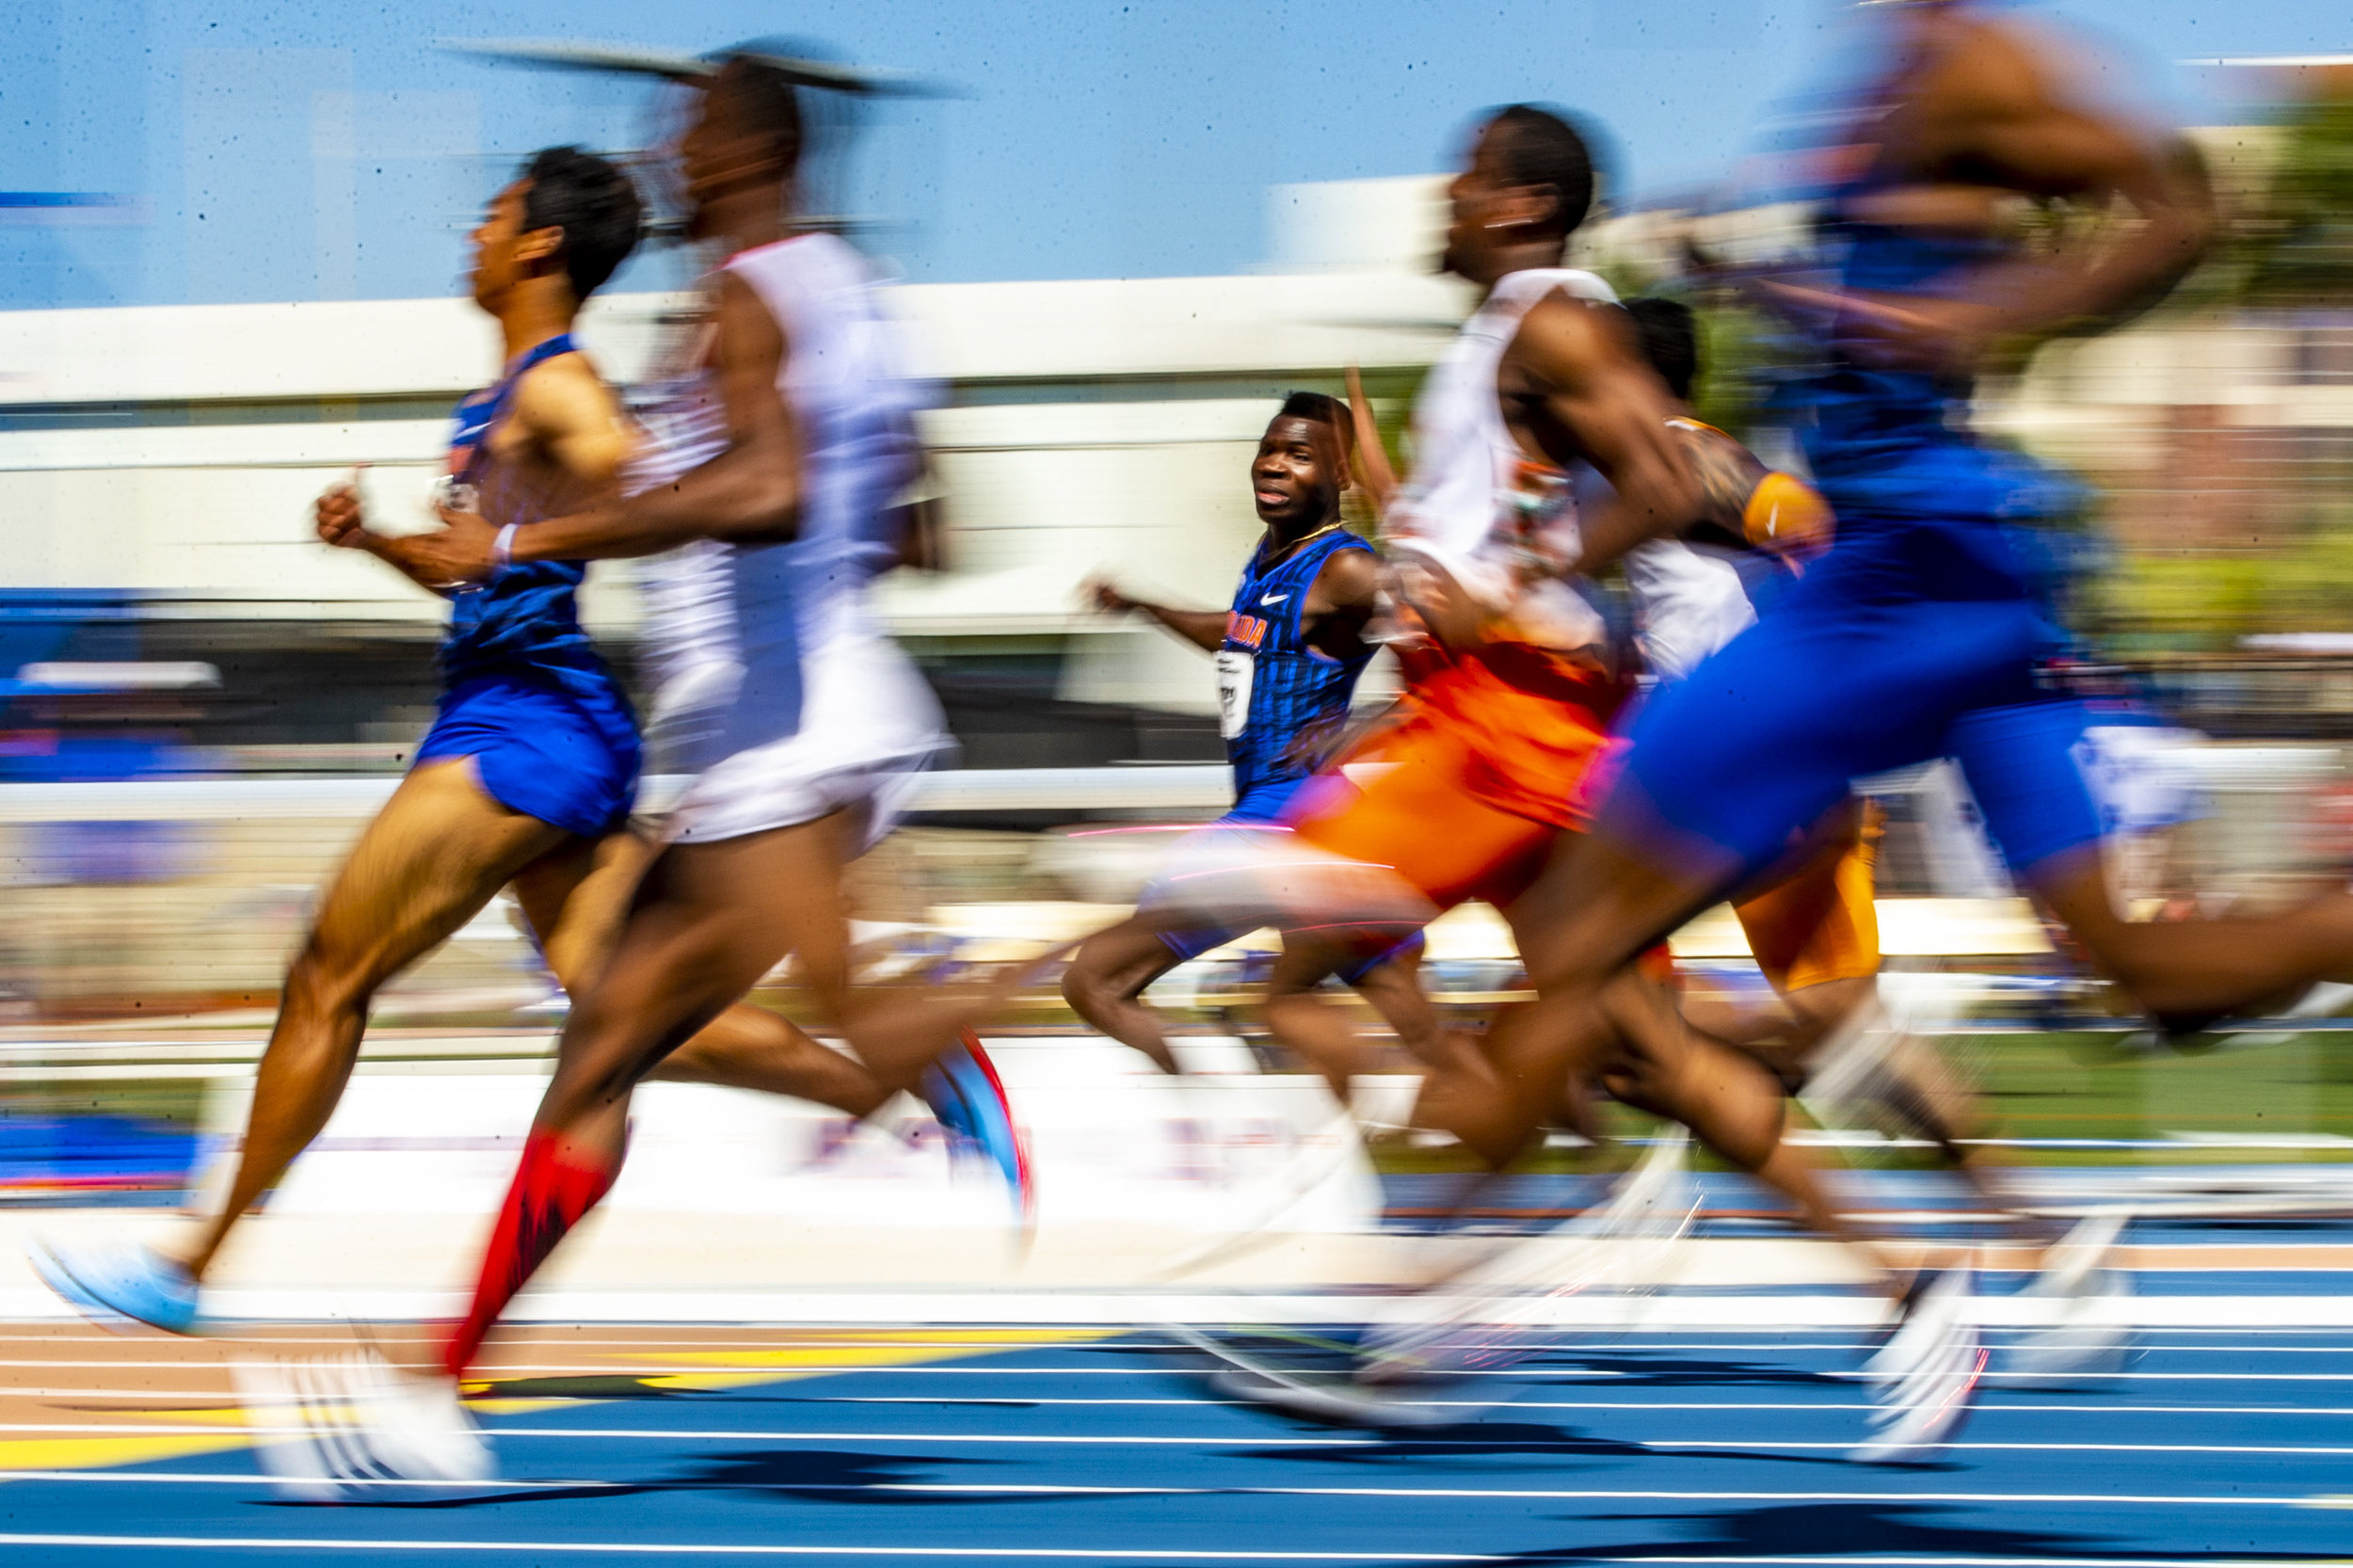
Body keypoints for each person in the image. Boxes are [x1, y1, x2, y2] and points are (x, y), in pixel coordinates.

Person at [1421, 2, 2353, 1413]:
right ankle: (1455, 1292)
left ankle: (1418, 1312)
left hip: (1901, 578)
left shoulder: (1981, 62)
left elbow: (2182, 206)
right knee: (2153, 980)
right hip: (1968, 569)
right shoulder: (1895, 76)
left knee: (1576, 940)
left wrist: (1969, 320)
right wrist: (1784, 290)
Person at [233, 51, 1032, 1495]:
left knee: (650, 1042)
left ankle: (1021, 1001)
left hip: (783, 739)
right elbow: (929, 526)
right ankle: (437, 1381)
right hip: (807, 724)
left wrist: (535, 544)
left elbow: (770, 490)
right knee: (606, 1043)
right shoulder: (853, 295)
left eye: (689, 131)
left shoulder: (747, 295)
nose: (665, 152)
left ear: (744, 149)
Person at [27, 146, 938, 1338]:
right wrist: (382, 545)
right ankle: (885, 1079)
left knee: (328, 972)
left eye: (489, 219)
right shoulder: (505, 396)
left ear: (536, 248)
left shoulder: (559, 385)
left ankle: (195, 1262)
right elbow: (485, 570)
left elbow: (638, 481)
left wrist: (609, 520)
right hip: (529, 710)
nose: (470, 236)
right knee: (626, 1008)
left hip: (528, 724)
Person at [1064, 394, 1458, 1098]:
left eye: (1299, 454)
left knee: (1096, 980)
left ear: (1341, 473)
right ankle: (1522, 1119)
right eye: (1269, 448)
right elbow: (1239, 633)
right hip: (1326, 831)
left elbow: (1457, 654)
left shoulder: (1347, 570)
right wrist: (1144, 605)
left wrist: (1367, 729)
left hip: (1278, 821)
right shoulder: (1273, 559)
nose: (1273, 465)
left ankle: (1206, 1136)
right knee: (1406, 1017)